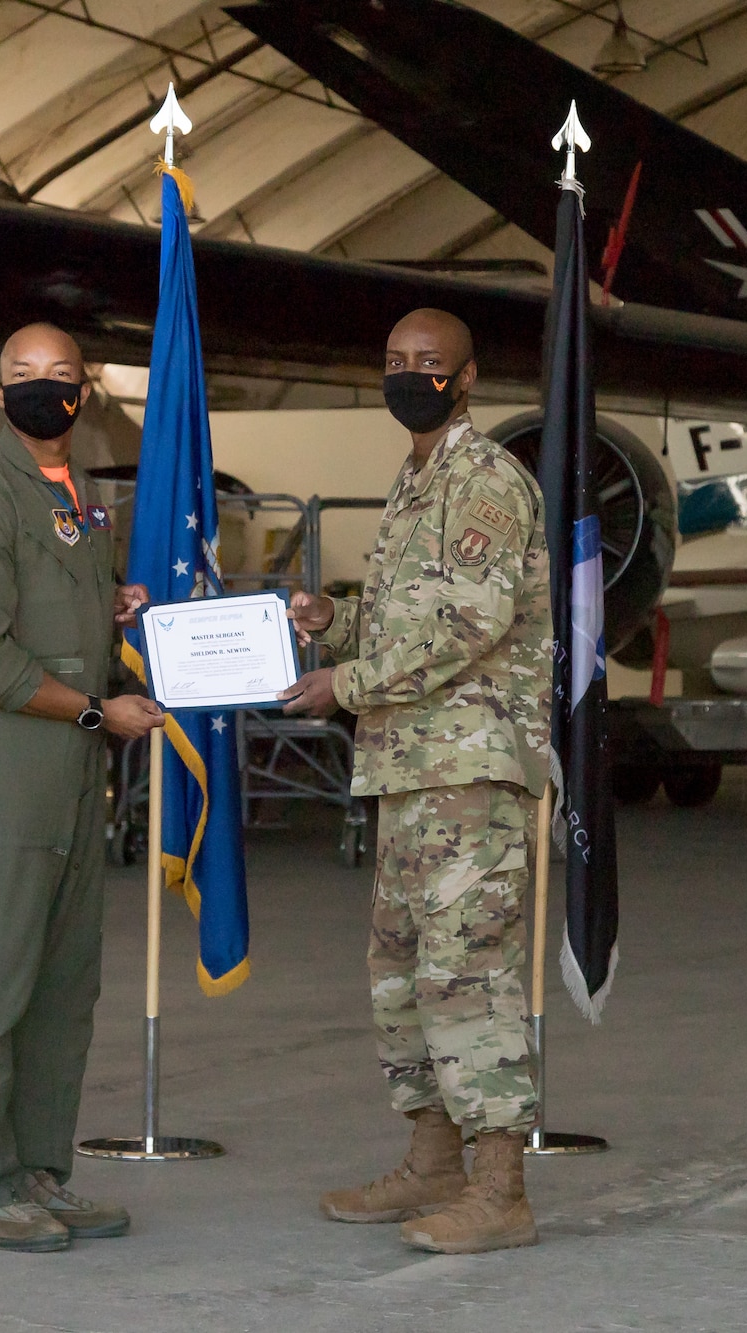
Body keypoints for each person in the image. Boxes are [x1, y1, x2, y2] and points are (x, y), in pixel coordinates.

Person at [281, 308, 552, 1255]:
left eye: (428, 364)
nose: (410, 375)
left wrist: (344, 681)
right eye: (394, 361)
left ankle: (500, 1188)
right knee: (402, 974)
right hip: (411, 771)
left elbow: (466, 626)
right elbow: (412, 617)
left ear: (467, 377)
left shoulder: (483, 480)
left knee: (469, 974)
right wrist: (339, 621)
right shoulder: (414, 479)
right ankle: (433, 1163)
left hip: (471, 771)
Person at [0, 322, 165, 1252]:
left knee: (66, 981)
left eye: (60, 375)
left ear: (84, 392)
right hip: (5, 760)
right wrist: (101, 710)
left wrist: (106, 609)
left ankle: (39, 1171)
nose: (42, 388)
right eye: (22, 374)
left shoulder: (77, 495)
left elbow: (49, 614)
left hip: (67, 762)